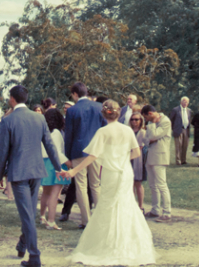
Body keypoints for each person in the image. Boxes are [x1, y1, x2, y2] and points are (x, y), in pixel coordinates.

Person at [59, 100, 156, 266]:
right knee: (126, 206)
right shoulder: (127, 130)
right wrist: (121, 159)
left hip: (111, 173)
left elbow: (92, 156)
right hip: (125, 173)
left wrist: (73, 171)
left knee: (109, 207)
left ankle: (110, 245)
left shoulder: (103, 132)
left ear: (104, 114)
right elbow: (135, 153)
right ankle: (129, 246)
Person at [0, 85, 62, 267]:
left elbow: (2, 151)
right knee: (29, 213)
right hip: (36, 171)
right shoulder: (39, 118)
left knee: (27, 216)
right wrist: (57, 166)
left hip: (19, 173)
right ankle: (23, 243)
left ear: (12, 99)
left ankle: (34, 257)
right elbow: (50, 145)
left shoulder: (8, 121)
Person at [63, 82, 105, 228]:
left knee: (81, 186)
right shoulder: (99, 107)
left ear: (75, 94)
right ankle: (100, 219)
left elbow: (69, 135)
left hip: (78, 150)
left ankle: (86, 220)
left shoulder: (72, 110)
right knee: (96, 184)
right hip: (96, 151)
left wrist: (67, 154)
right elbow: (105, 128)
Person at [39, 107, 69, 230]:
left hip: (44, 162)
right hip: (55, 163)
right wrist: (69, 163)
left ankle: (42, 216)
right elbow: (57, 152)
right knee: (55, 194)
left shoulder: (43, 131)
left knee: (46, 192)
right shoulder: (56, 133)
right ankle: (51, 220)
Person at [141, 104, 172, 221]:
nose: (146, 121)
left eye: (146, 118)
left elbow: (153, 135)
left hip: (160, 156)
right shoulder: (150, 123)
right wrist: (151, 128)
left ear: (150, 114)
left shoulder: (165, 121)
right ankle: (155, 210)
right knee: (152, 185)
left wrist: (153, 123)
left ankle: (167, 212)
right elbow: (147, 138)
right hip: (150, 156)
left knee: (161, 185)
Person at [129, 112, 147, 211]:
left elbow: (144, 146)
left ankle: (140, 206)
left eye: (136, 119)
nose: (134, 121)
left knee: (138, 183)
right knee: (130, 183)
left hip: (139, 160)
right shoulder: (129, 131)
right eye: (132, 119)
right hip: (129, 158)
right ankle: (132, 205)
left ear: (141, 121)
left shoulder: (143, 132)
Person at [169, 97, 192, 165]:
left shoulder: (189, 110)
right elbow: (171, 120)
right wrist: (174, 128)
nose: (185, 103)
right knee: (178, 146)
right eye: (184, 101)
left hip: (186, 129)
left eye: (187, 102)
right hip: (178, 129)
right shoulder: (175, 110)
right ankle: (178, 160)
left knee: (185, 145)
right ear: (181, 102)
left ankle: (183, 160)